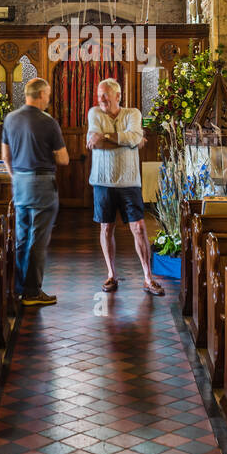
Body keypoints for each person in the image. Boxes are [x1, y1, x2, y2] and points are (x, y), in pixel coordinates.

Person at [86, 78, 162, 296]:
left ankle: (148, 278)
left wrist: (107, 136)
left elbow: (135, 136)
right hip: (102, 181)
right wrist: (127, 141)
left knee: (138, 228)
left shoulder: (133, 114)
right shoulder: (94, 113)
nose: (101, 99)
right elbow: (96, 143)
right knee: (106, 228)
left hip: (129, 181)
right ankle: (111, 274)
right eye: (99, 95)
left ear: (118, 96)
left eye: (106, 95)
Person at [1, 77, 69, 307]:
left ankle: (18, 288)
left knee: (22, 236)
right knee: (38, 239)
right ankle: (32, 291)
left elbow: (5, 156)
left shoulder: (10, 119)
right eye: (48, 95)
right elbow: (63, 159)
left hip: (19, 182)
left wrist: (16, 176)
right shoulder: (48, 122)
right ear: (40, 95)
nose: (48, 99)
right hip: (41, 183)